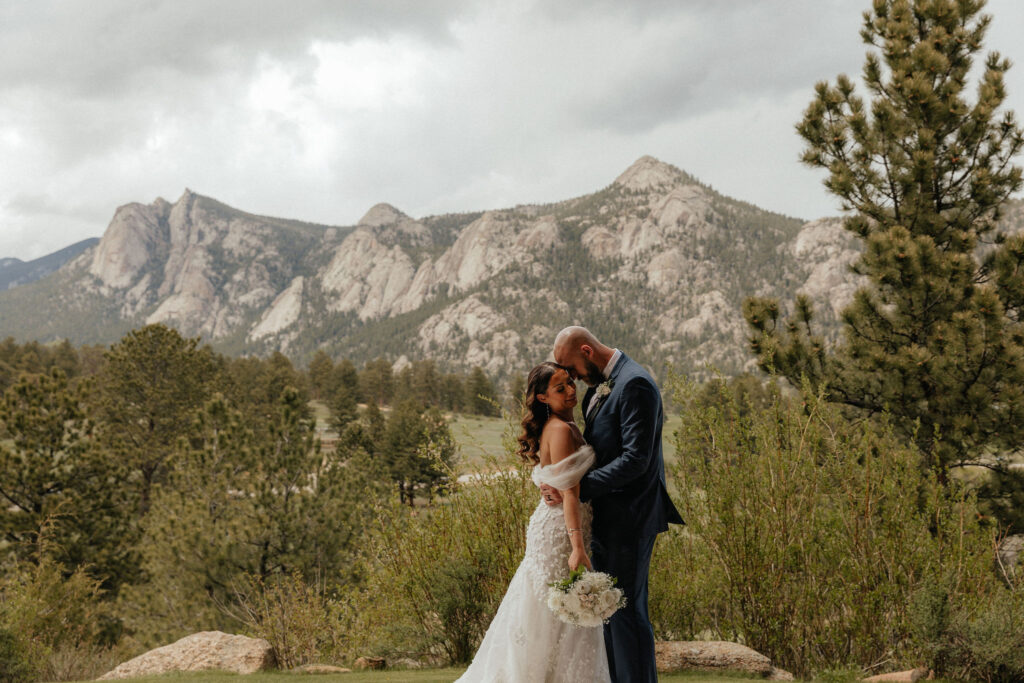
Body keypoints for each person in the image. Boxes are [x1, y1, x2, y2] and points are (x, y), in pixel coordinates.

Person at [455, 361, 611, 682]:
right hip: (560, 530)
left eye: (570, 383)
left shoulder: (560, 426)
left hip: (552, 523)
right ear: (542, 398)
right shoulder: (561, 429)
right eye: (560, 388)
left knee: (551, 607)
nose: (570, 390)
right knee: (552, 608)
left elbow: (551, 474)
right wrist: (578, 547)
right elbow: (569, 492)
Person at [544, 326, 684, 683]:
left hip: (630, 518)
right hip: (608, 517)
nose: (570, 376)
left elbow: (636, 460)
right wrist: (557, 479)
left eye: (570, 367)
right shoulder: (604, 385)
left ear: (587, 351)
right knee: (611, 613)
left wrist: (576, 488)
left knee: (626, 613)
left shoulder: (635, 383)